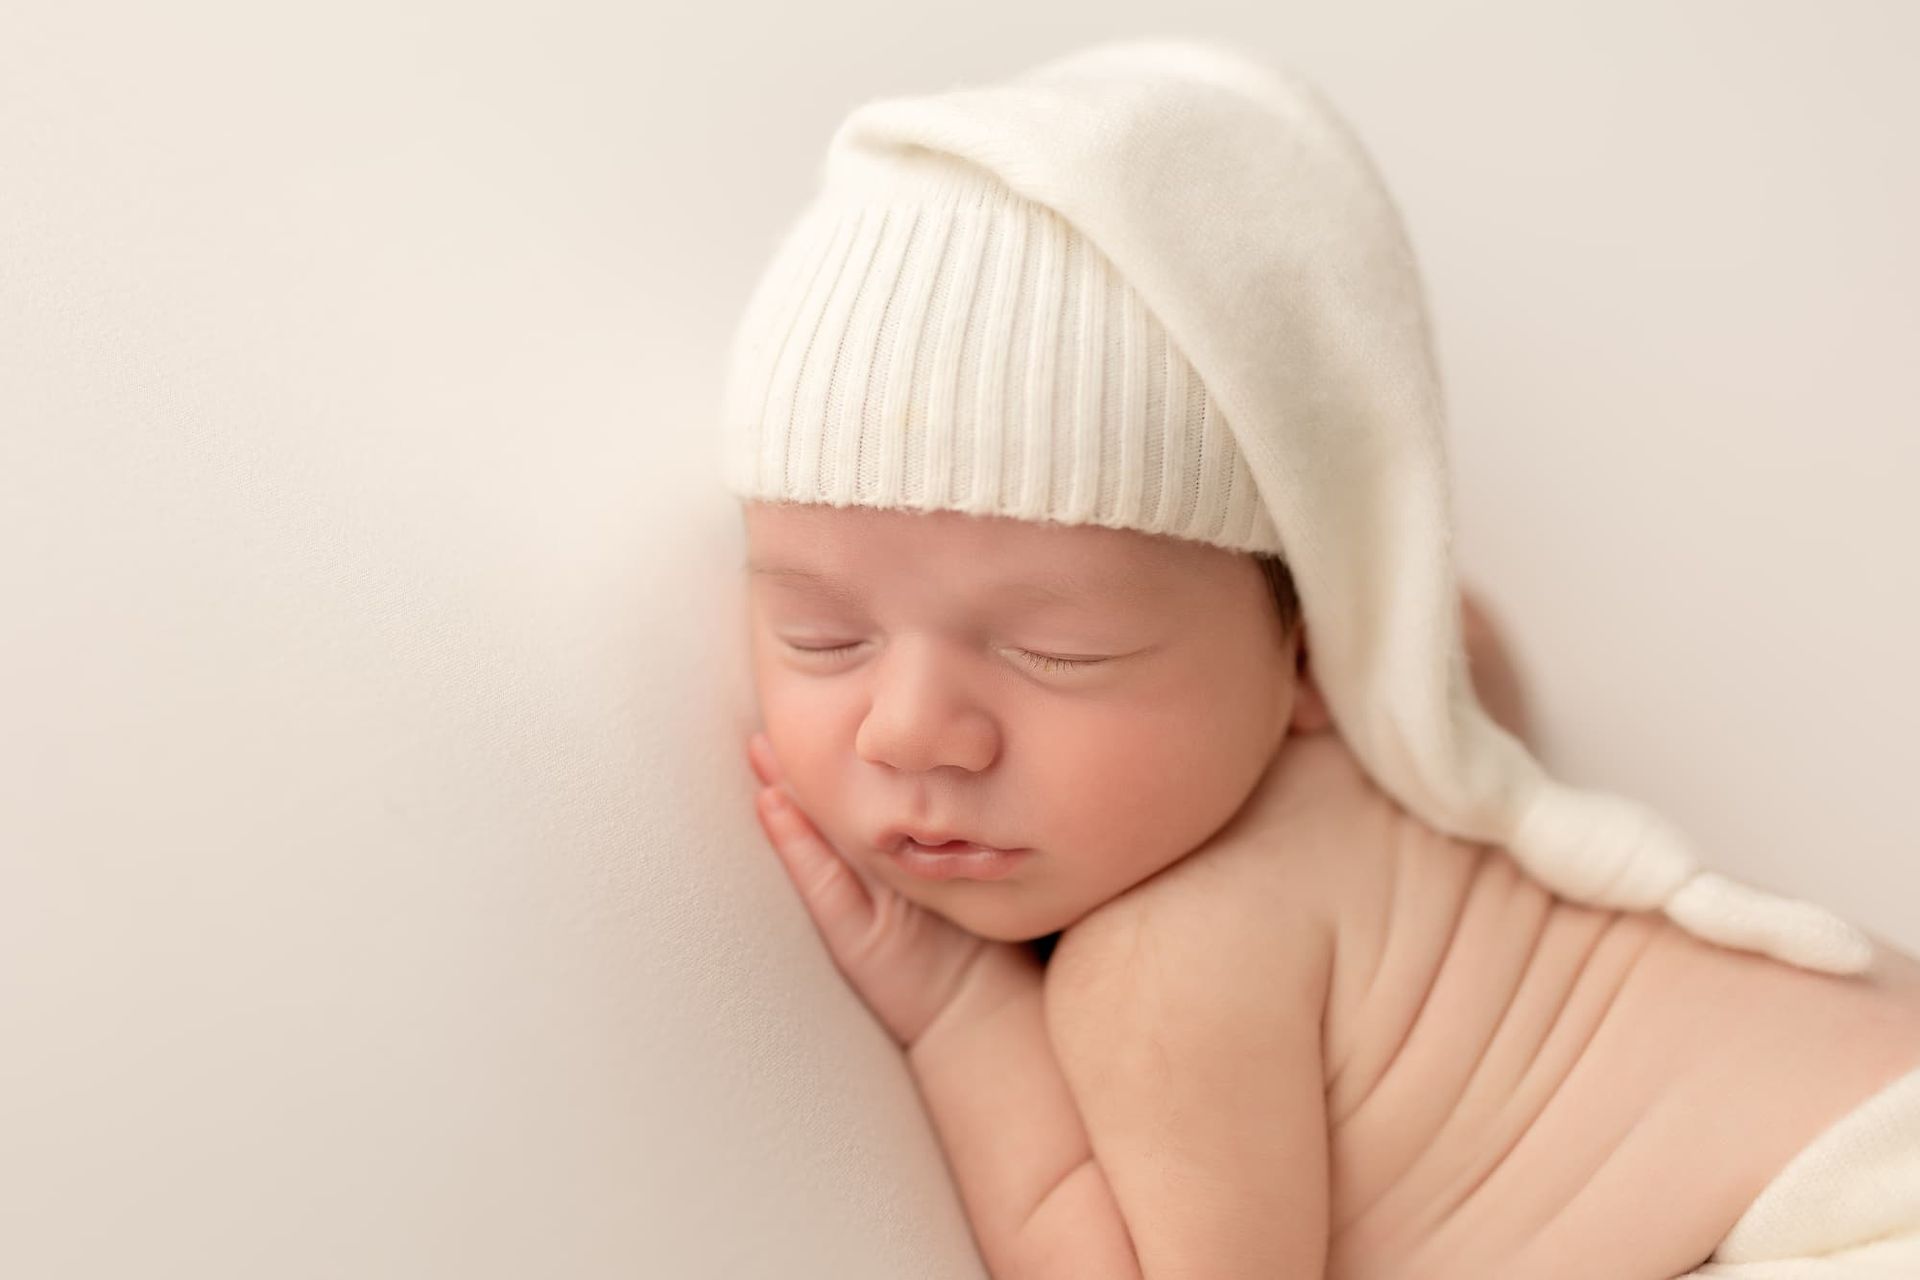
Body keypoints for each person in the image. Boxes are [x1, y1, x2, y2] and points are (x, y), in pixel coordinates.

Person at [725, 38, 1920, 1279]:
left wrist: (961, 1010)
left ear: (1309, 657)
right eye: (825, 635)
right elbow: (1468, 645)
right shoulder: (1393, 751)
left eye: (1055, 649)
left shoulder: (1159, 973)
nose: (912, 729)